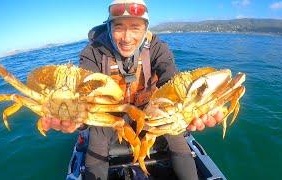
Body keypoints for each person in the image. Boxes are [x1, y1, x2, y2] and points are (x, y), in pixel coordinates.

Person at [41, 0, 224, 179]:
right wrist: (77, 119)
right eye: (119, 27)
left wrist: (194, 104)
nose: (127, 38)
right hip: (110, 115)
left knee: (176, 136)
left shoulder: (157, 48)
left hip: (150, 112)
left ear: (146, 29)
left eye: (135, 27)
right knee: (96, 140)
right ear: (109, 27)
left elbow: (172, 81)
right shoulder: (93, 53)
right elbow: (84, 96)